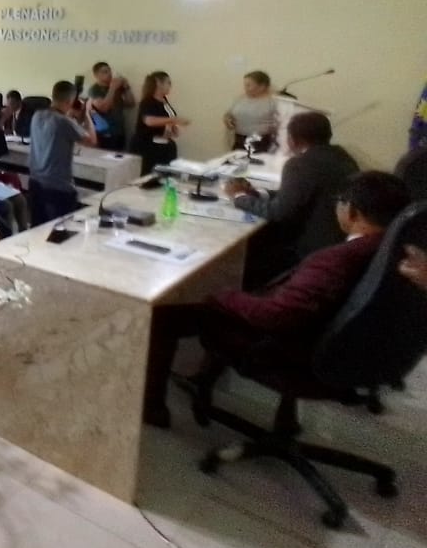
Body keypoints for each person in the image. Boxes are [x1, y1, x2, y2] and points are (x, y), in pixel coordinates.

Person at [144, 171, 412, 427]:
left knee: (165, 312)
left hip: (289, 350)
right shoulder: (399, 252)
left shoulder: (337, 260)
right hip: (350, 349)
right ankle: (204, 381)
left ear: (351, 211)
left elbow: (275, 315)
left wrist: (218, 295)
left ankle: (153, 406)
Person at [226, 111, 361, 286]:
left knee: (254, 239)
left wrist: (238, 196)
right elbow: (298, 195)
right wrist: (258, 193)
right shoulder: (342, 157)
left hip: (306, 248)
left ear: (292, 139)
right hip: (335, 240)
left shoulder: (300, 165)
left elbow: (278, 213)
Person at [28, 81, 97, 225]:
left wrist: (72, 115)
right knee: (62, 229)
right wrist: (87, 115)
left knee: (38, 228)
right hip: (58, 187)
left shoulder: (37, 115)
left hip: (35, 183)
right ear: (70, 101)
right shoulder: (64, 122)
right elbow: (91, 141)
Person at [130, 71, 190, 174]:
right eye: (168, 83)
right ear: (158, 83)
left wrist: (173, 128)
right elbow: (149, 121)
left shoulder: (164, 101)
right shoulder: (148, 101)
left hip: (164, 145)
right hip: (148, 147)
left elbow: (168, 118)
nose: (170, 86)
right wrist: (173, 120)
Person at [223, 70, 278, 152]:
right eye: (245, 85)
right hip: (239, 139)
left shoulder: (273, 102)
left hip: (261, 142)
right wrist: (227, 119)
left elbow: (281, 125)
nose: (245, 88)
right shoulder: (240, 99)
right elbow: (228, 114)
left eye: (248, 85)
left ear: (262, 86)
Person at [87, 62, 134, 152]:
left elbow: (131, 103)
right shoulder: (94, 90)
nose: (109, 74)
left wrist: (127, 87)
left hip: (119, 132)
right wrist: (112, 88)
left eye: (109, 71)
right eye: (105, 72)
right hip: (105, 134)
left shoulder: (117, 88)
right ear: (96, 75)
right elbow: (104, 108)